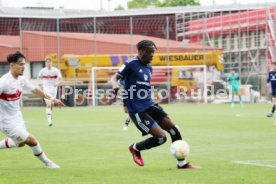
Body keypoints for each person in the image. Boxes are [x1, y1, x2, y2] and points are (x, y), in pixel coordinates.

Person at [111, 40, 200, 169]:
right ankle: (135, 148)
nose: (152, 55)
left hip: (150, 104)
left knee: (174, 129)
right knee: (161, 138)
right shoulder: (130, 64)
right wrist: (115, 85)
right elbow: (116, 77)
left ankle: (182, 164)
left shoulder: (149, 67)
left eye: (153, 52)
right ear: (141, 52)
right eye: (149, 52)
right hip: (137, 110)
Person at [0, 51, 64, 168]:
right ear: (12, 65)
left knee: (20, 144)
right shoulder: (4, 82)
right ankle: (47, 163)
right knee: (32, 141)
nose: (23, 67)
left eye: (24, 64)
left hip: (17, 118)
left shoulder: (22, 80)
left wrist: (53, 99)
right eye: (20, 64)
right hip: (6, 122)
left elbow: (36, 91)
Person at [38, 58, 62, 126]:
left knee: (51, 104)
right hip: (46, 89)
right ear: (45, 63)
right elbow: (39, 78)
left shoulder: (55, 70)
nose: (48, 63)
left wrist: (57, 83)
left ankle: (50, 115)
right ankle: (49, 120)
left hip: (54, 89)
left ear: (51, 63)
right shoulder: (42, 70)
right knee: (48, 104)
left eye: (50, 62)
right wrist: (40, 84)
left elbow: (60, 79)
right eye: (47, 62)